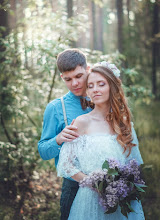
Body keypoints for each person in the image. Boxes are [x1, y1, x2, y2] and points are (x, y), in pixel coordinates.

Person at [57, 61, 145, 219]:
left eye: (101, 84)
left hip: (121, 199)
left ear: (112, 87)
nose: (95, 89)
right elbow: (65, 164)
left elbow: (135, 163)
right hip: (89, 200)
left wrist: (123, 186)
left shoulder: (125, 124)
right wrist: (95, 182)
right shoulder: (81, 122)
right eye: (90, 86)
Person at [38, 49, 92, 220]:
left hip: (107, 180)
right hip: (74, 186)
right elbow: (43, 151)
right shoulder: (55, 108)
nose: (75, 83)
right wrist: (59, 139)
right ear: (62, 77)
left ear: (88, 70)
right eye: (68, 79)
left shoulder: (102, 100)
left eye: (78, 76)